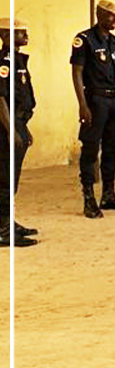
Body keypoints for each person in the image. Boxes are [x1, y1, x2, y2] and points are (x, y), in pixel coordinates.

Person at [70, 0, 115, 219]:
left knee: (111, 149)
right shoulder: (84, 40)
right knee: (90, 150)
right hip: (95, 101)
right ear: (99, 15)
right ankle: (88, 198)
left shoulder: (114, 41)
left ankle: (108, 194)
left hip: (113, 101)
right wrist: (82, 105)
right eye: (110, 16)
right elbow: (77, 73)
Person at [1, 17, 39, 247]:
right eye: (20, 33)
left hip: (19, 122)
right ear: (6, 36)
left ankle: (8, 221)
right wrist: (10, 130)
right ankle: (3, 229)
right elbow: (1, 97)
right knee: (5, 178)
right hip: (9, 124)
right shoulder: (4, 61)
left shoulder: (18, 60)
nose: (26, 36)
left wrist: (24, 129)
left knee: (12, 177)